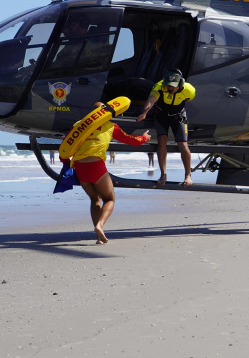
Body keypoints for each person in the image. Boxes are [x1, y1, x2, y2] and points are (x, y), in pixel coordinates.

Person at [66, 103, 151, 244]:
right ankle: (100, 225)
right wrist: (144, 138)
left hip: (80, 167)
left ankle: (98, 238)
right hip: (96, 166)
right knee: (109, 199)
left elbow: (66, 146)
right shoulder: (111, 126)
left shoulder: (79, 125)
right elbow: (131, 140)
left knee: (94, 199)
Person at [136, 69, 196, 186]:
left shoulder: (189, 90)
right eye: (168, 86)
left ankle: (188, 176)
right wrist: (145, 112)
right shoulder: (160, 86)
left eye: (173, 86)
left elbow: (189, 100)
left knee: (183, 144)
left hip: (178, 116)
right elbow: (152, 99)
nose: (170, 89)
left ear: (181, 84)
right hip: (161, 115)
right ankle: (163, 174)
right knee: (162, 140)